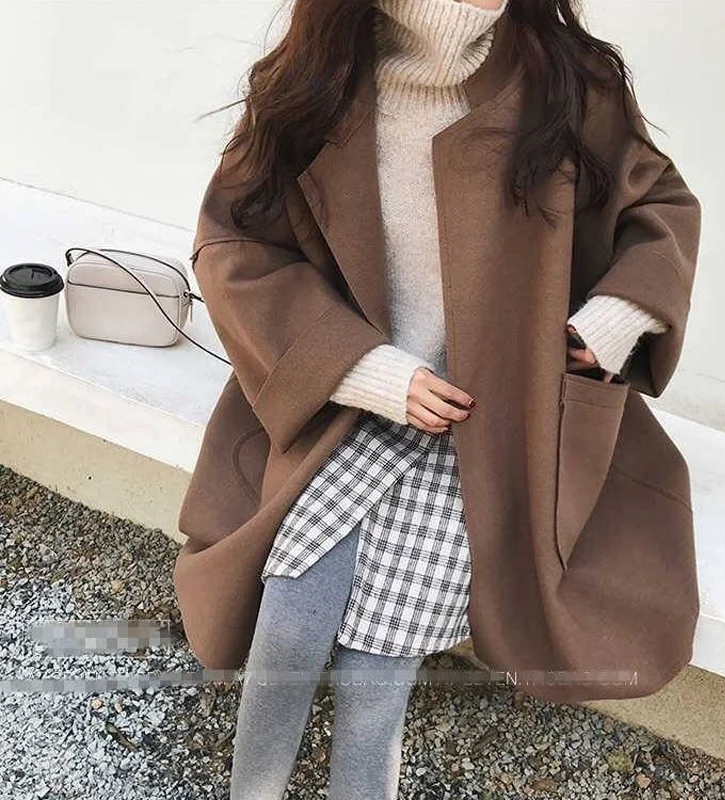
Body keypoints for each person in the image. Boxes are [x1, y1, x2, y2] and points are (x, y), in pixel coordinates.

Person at [188, 0, 696, 797]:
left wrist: (616, 317)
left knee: (376, 665)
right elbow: (233, 245)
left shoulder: (570, 80)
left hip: (500, 428)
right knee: (286, 617)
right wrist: (362, 369)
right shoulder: (313, 81)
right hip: (351, 403)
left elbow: (659, 208)